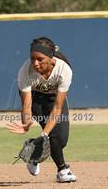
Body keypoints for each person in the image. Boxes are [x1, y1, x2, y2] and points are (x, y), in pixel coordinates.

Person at [6, 36, 76, 183]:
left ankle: (34, 155)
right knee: (53, 136)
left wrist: (44, 134)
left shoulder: (64, 70)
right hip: (35, 98)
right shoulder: (26, 70)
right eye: (32, 58)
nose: (35, 63)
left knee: (61, 140)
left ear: (51, 58)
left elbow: (57, 108)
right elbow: (26, 103)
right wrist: (26, 122)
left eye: (40, 59)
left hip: (53, 99)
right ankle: (63, 171)